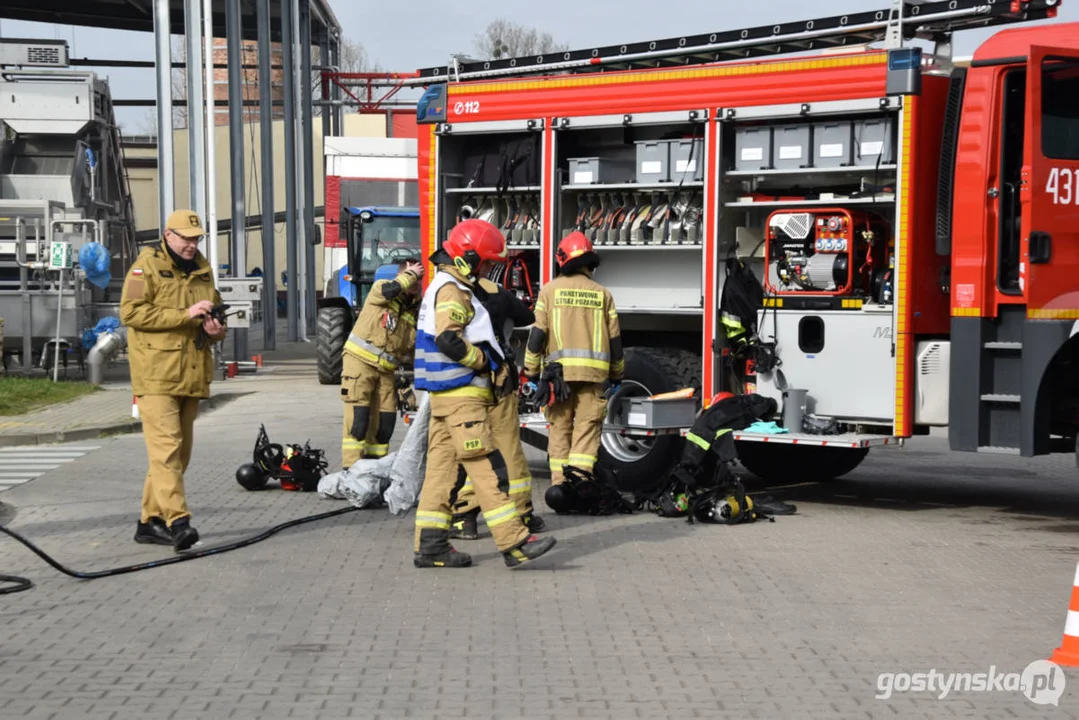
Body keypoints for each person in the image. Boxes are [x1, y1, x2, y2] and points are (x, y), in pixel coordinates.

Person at [412, 218, 556, 569]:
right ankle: (514, 542)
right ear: (468, 258)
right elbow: (449, 339)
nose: (489, 270)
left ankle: (431, 547)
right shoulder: (451, 291)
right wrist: (485, 364)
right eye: (487, 263)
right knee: (487, 468)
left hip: (448, 397)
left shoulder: (446, 286)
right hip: (463, 396)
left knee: (442, 474)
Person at [121, 209, 227, 552]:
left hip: (192, 373)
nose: (191, 245)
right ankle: (178, 522)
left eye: (195, 239)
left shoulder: (203, 269)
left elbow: (215, 313)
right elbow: (131, 312)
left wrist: (215, 331)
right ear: (168, 235)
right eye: (185, 238)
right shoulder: (146, 265)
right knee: (166, 451)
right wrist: (185, 315)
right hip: (156, 375)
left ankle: (148, 523)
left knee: (179, 454)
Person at [523, 231, 624, 487]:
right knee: (586, 430)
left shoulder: (549, 291)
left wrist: (532, 372)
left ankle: (559, 485)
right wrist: (617, 376)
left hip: (558, 378)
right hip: (594, 379)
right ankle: (579, 485)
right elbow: (615, 342)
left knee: (559, 429)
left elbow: (537, 336)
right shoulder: (603, 294)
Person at [448, 276, 545, 541]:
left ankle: (464, 517)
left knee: (474, 452)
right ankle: (521, 512)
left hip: (465, 385)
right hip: (500, 381)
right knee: (508, 448)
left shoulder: (449, 291)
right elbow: (527, 316)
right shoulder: (496, 292)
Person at [340, 258, 423, 469]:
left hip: (386, 371)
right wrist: (410, 273)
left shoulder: (412, 311)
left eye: (419, 280)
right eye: (413, 277)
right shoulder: (381, 290)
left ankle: (374, 468)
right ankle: (351, 469)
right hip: (360, 364)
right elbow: (391, 290)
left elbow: (411, 349)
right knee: (358, 422)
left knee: (385, 424)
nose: (416, 283)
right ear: (402, 275)